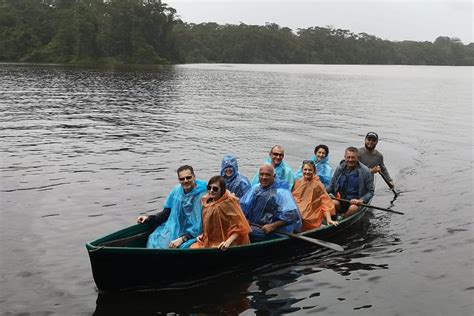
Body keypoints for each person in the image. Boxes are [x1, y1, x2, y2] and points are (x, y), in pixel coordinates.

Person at [137, 165, 207, 249]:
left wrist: (182, 239)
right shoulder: (176, 192)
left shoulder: (205, 191)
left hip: (199, 232)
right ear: (179, 180)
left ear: (194, 177)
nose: (185, 181)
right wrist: (148, 218)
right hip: (177, 228)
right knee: (155, 238)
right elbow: (166, 214)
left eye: (188, 177)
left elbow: (203, 223)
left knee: (186, 247)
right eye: (182, 179)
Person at [241, 164, 302, 241]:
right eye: (262, 174)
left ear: (274, 176)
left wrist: (272, 226)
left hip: (276, 231)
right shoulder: (255, 188)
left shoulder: (281, 191)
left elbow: (292, 214)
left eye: (267, 175)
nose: (264, 177)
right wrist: (245, 219)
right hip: (256, 225)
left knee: (246, 233)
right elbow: (243, 206)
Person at [191, 176, 251, 250]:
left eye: (215, 188)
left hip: (228, 241)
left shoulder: (228, 204)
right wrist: (203, 235)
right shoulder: (207, 202)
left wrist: (228, 242)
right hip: (211, 240)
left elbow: (240, 228)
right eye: (209, 188)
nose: (211, 191)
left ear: (222, 190)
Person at [326, 147, 374, 218]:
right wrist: (322, 193)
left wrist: (361, 200)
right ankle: (333, 219)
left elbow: (370, 192)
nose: (350, 160)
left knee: (352, 208)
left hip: (355, 203)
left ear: (357, 158)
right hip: (341, 200)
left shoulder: (366, 171)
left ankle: (343, 218)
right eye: (348, 157)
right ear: (345, 157)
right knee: (333, 203)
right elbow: (331, 186)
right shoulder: (340, 168)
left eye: (353, 157)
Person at [292, 160, 338, 231]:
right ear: (302, 170)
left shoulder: (318, 184)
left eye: (310, 170)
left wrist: (329, 219)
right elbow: (294, 198)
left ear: (314, 171)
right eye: (305, 169)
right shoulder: (298, 182)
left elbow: (325, 202)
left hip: (312, 213)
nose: (307, 172)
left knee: (303, 217)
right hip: (300, 209)